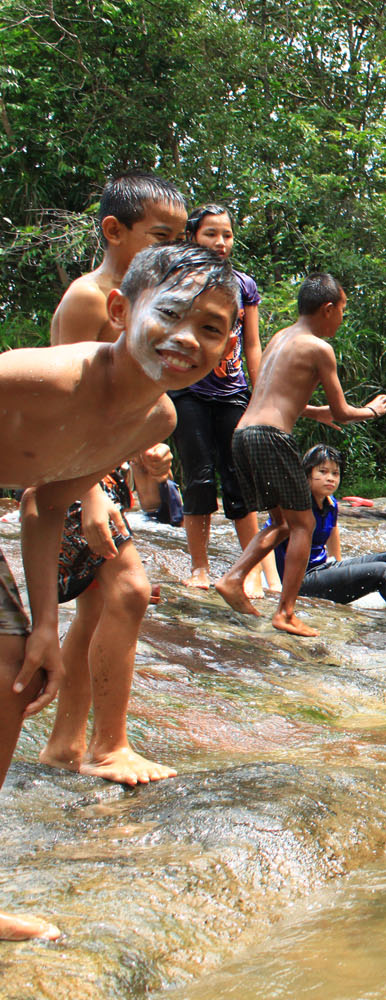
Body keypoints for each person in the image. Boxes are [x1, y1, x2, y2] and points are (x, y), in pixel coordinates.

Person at [1, 240, 238, 939]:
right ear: (118, 309)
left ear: (227, 350)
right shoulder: (38, 378)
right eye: (171, 314)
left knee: (15, 663)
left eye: (212, 328)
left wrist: (47, 622)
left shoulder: (155, 419)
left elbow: (46, 506)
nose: (187, 338)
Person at [41, 173, 190, 787]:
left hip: (92, 472)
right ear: (114, 231)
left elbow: (114, 412)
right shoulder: (88, 298)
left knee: (100, 604)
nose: (172, 255)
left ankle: (64, 745)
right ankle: (110, 747)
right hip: (65, 474)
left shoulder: (143, 309)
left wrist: (141, 455)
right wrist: (93, 493)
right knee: (128, 590)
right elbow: (66, 413)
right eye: (160, 239)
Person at [213, 273, 386, 637]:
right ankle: (286, 611)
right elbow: (343, 412)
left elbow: (276, 395)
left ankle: (234, 579)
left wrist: (315, 412)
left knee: (281, 523)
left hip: (243, 434)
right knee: (304, 524)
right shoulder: (318, 348)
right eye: (342, 310)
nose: (342, 318)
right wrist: (372, 410)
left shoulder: (281, 337)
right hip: (271, 437)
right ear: (328, 309)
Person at [174, 203, 280, 597]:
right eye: (211, 234)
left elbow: (252, 343)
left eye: (227, 234)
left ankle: (248, 570)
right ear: (192, 236)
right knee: (199, 478)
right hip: (188, 391)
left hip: (232, 392)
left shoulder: (243, 285)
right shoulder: (179, 279)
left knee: (240, 481)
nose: (220, 242)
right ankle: (199, 567)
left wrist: (260, 395)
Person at [270, 445, 386, 608]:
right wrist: (274, 584)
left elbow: (332, 533)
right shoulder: (295, 506)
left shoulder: (330, 504)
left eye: (335, 473)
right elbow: (269, 538)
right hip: (300, 580)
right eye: (322, 472)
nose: (330, 478)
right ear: (307, 474)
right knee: (382, 571)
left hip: (323, 570)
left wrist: (339, 570)